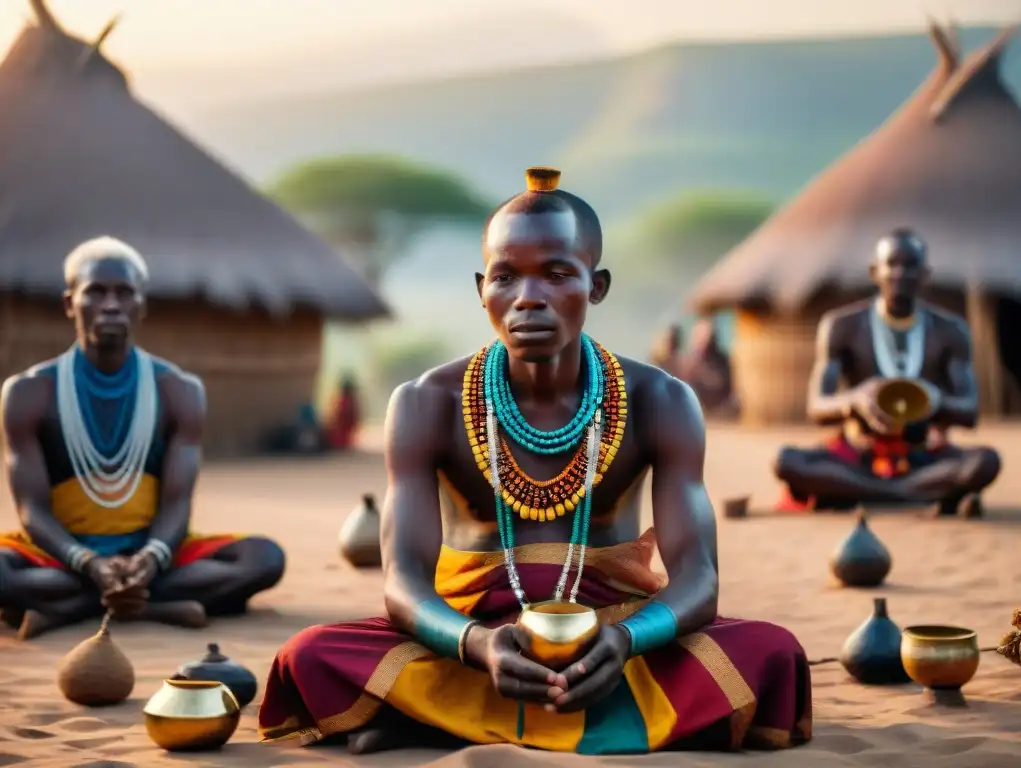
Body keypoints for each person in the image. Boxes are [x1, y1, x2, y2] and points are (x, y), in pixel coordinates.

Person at [258, 168, 811, 755]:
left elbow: (700, 579)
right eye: (505, 276)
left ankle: (429, 718)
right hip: (470, 637)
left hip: (610, 630)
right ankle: (578, 716)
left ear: (595, 286)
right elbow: (403, 585)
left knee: (774, 655)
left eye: (555, 274)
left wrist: (626, 638)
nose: (528, 298)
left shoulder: (661, 400)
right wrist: (476, 644)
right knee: (307, 657)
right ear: (481, 288)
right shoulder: (427, 404)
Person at [0, 236, 287, 640]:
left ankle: (76, 606)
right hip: (62, 556)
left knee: (264, 557)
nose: (112, 304)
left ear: (142, 305)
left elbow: (177, 501)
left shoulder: (179, 390)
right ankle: (154, 604)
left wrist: (151, 559)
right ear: (70, 304)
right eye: (96, 292)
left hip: (153, 554)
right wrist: (89, 564)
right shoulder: (29, 392)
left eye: (124, 292)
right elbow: (33, 511)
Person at [774, 228, 1001, 516]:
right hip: (860, 454)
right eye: (892, 264)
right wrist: (855, 400)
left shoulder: (950, 331)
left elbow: (970, 411)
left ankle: (855, 493)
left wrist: (935, 401)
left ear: (925, 274)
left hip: (922, 454)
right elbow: (816, 405)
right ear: (874, 271)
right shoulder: (842, 326)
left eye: (910, 266)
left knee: (986, 462)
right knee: (786, 461)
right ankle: (915, 495)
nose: (900, 274)